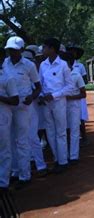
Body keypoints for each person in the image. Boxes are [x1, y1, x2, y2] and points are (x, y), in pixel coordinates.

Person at [3, 37, 42, 189]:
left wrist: (32, 97)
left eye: (14, 50)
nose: (11, 52)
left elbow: (38, 87)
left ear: (20, 50)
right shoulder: (4, 64)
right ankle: (14, 171)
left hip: (23, 106)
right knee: (9, 140)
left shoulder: (29, 65)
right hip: (7, 105)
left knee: (22, 140)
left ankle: (25, 175)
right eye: (9, 50)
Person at [39, 37, 74, 173]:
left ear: (52, 49)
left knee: (60, 132)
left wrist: (54, 95)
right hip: (46, 103)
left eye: (45, 47)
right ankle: (56, 159)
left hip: (58, 102)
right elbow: (40, 83)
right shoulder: (43, 65)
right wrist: (43, 95)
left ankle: (63, 162)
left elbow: (70, 87)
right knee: (50, 132)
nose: (43, 50)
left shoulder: (63, 65)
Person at [21, 45, 48, 178]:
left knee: (33, 136)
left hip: (33, 105)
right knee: (22, 139)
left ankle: (39, 164)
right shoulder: (9, 67)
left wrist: (33, 96)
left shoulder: (32, 68)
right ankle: (26, 165)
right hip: (18, 108)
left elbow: (38, 87)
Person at [0, 48, 19, 194]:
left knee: (4, 149)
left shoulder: (7, 78)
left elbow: (15, 100)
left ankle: (3, 183)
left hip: (3, 117)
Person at [61, 52, 86, 164]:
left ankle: (74, 156)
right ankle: (64, 156)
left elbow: (83, 94)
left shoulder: (76, 75)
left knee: (74, 130)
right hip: (62, 106)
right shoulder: (60, 76)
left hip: (74, 105)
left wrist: (70, 97)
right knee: (63, 131)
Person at [67, 46, 89, 146]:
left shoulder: (80, 66)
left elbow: (85, 80)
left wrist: (76, 83)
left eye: (74, 52)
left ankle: (84, 137)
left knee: (81, 116)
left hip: (78, 94)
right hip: (67, 95)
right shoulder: (64, 66)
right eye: (71, 51)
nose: (72, 53)